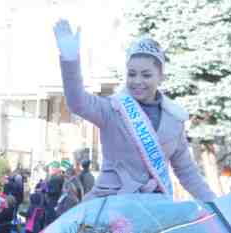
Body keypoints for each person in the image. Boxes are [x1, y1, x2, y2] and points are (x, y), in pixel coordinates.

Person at [53, 19, 216, 203]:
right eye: (132, 74)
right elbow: (77, 102)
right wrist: (70, 59)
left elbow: (186, 171)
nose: (137, 81)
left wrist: (216, 205)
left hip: (154, 208)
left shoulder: (174, 120)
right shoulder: (112, 109)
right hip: (111, 202)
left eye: (146, 75)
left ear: (161, 77)